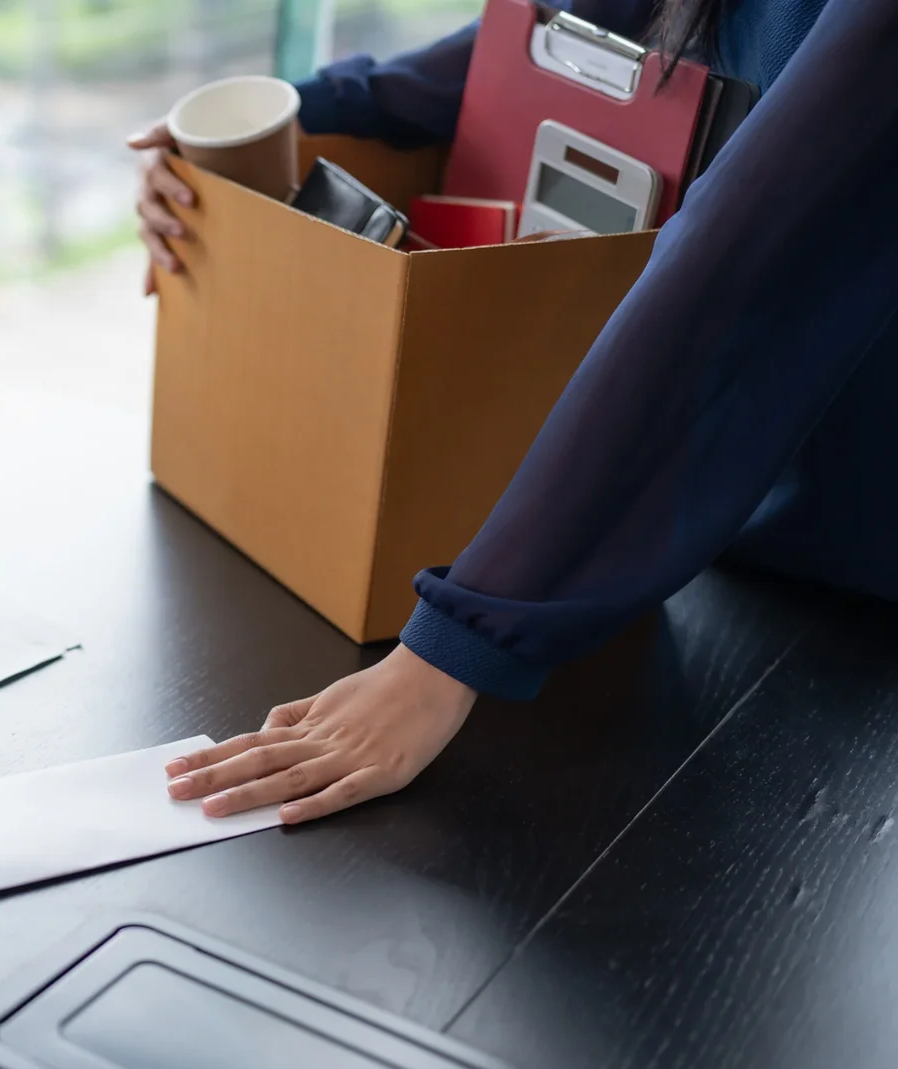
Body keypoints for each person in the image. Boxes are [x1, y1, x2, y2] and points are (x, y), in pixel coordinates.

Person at [133, 0, 897, 822]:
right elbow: (551, 42)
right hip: (696, 542)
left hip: (855, 582)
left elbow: (734, 262)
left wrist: (457, 646)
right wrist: (274, 120)